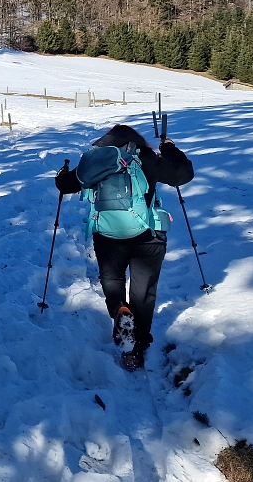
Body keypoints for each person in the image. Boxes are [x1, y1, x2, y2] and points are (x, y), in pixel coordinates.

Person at [55, 124, 194, 370]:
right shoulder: (144, 156)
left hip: (107, 235)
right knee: (143, 292)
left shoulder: (97, 160)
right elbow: (182, 175)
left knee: (112, 280)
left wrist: (62, 174)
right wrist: (169, 148)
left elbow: (66, 185)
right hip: (147, 234)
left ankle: (119, 309)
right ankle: (136, 349)